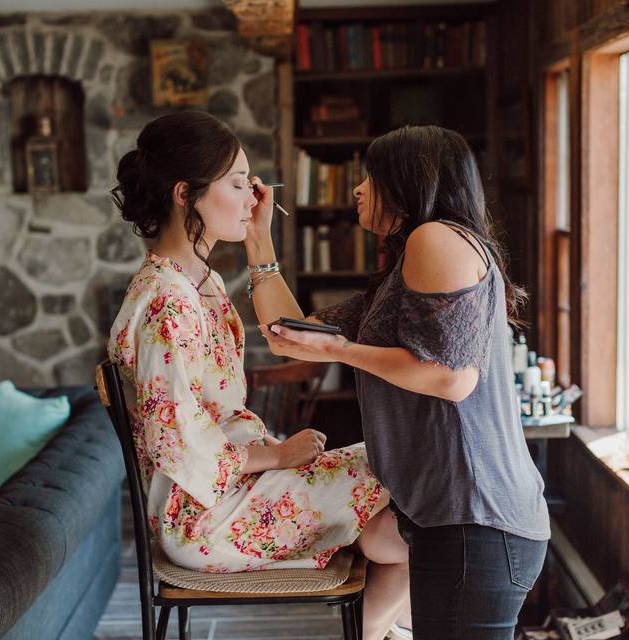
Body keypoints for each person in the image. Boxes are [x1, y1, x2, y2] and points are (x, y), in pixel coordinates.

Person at [107, 111, 410, 640]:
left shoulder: (200, 284)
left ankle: (387, 619)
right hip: (203, 516)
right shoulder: (167, 301)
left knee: (398, 493)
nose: (253, 196)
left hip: (227, 491)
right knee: (403, 466)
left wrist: (258, 241)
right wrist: (276, 456)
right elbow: (174, 438)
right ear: (186, 194)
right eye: (237, 183)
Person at [249, 124, 550, 639]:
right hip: (452, 519)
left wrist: (341, 350)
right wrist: (258, 239)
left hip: (476, 520)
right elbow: (289, 339)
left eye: (372, 176)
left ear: (412, 181)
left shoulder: (436, 238)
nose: (358, 189)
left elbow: (451, 378)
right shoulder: (403, 268)